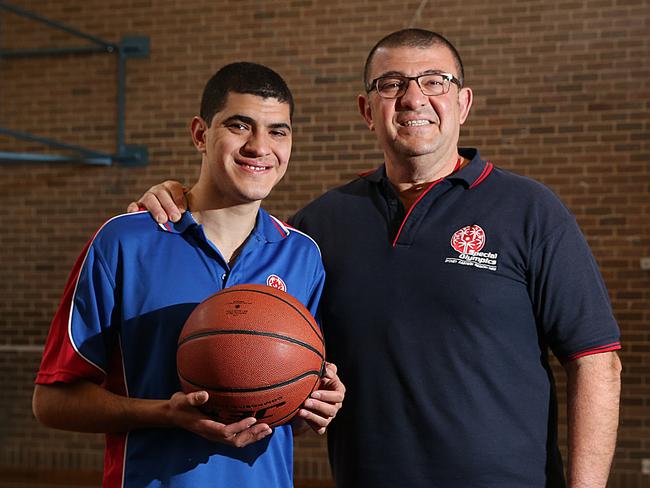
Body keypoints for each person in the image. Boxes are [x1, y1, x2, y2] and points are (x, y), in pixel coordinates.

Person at [129, 30, 622, 488]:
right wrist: (183, 197)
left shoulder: (530, 210)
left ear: (463, 103)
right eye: (392, 84)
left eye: (435, 81)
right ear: (367, 109)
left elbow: (596, 361)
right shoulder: (318, 227)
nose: (413, 98)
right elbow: (259, 337)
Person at [33, 62, 345, 488]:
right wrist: (164, 414)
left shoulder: (301, 254)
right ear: (200, 134)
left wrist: (316, 402)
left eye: (278, 131)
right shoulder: (125, 241)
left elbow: (284, 399)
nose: (260, 146)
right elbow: (51, 401)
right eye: (240, 125)